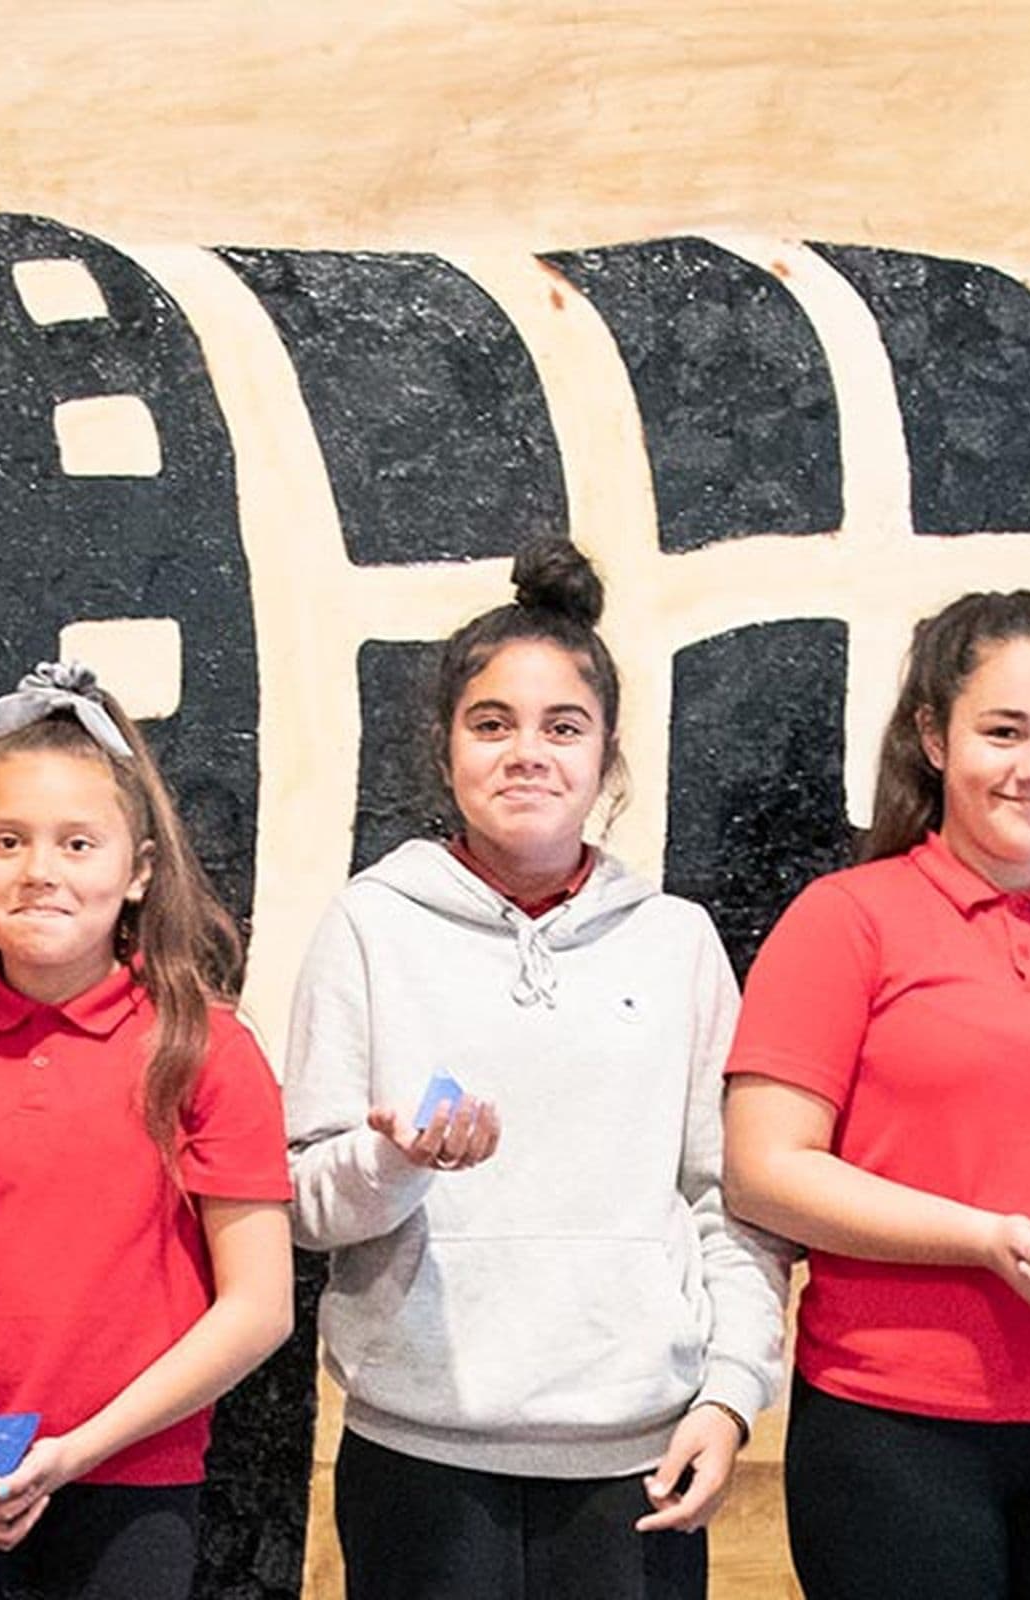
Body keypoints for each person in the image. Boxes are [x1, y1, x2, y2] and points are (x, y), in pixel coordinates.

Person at [284, 539, 788, 1600]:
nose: (527, 753)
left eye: (563, 727)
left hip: (635, 1452)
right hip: (420, 1454)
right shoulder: (370, 925)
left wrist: (731, 1393)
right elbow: (302, 1199)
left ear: (607, 755)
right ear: (444, 749)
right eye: (491, 724)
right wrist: (394, 1160)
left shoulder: (678, 941)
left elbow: (727, 1199)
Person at [0, 660, 293, 1600]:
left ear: (136, 872)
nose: (40, 870)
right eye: (8, 841)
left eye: (78, 844)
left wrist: (76, 1451)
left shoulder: (206, 1050)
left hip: (130, 1484)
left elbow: (259, 1306)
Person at [724, 589, 1030, 1599]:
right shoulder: (845, 919)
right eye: (1002, 730)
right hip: (895, 1428)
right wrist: (982, 1237)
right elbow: (764, 1172)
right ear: (931, 736)